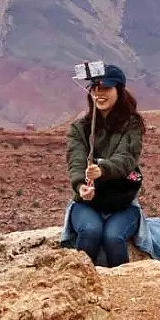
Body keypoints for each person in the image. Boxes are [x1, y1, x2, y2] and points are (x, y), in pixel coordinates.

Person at [62, 64, 146, 267]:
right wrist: (81, 185)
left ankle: (121, 288)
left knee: (113, 237)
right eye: (95, 88)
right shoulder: (80, 127)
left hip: (121, 202)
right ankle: (81, 282)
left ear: (119, 90)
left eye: (106, 88)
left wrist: (103, 169)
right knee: (91, 231)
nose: (99, 93)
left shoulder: (132, 124)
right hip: (87, 203)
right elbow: (76, 159)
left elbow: (127, 157)